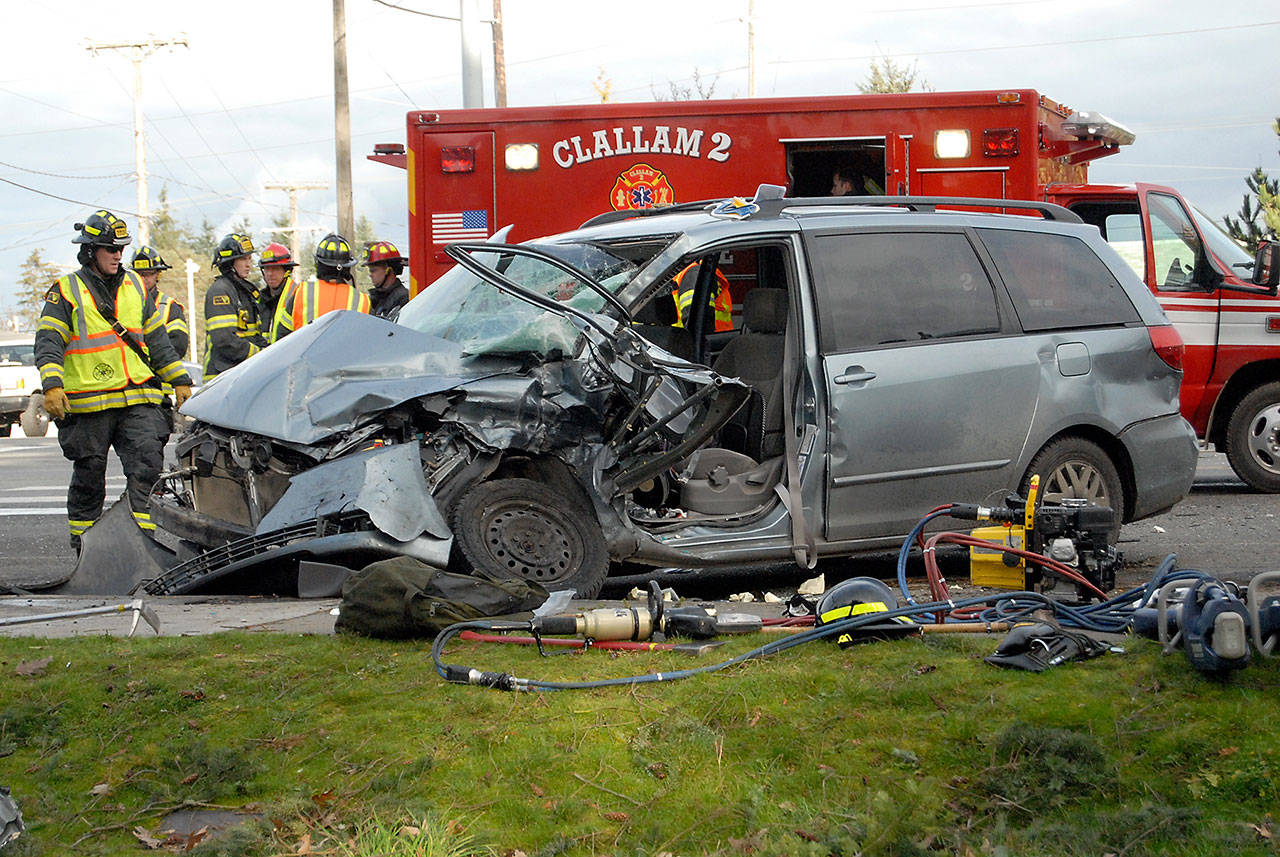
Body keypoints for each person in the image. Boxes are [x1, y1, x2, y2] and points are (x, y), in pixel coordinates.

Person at [34, 210, 193, 551]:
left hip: (137, 397)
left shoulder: (136, 285)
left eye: (121, 247)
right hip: (89, 402)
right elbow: (48, 342)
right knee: (90, 477)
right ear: (90, 251)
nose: (119, 254)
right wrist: (52, 385)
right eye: (110, 248)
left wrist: (179, 381)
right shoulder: (66, 290)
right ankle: (86, 548)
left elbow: (157, 342)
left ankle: (139, 544)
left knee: (148, 466)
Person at [273, 233, 371, 341]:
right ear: (348, 267)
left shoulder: (302, 292)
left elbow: (282, 338)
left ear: (318, 264)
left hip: (305, 357)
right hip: (349, 358)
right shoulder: (363, 301)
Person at [203, 233, 269, 379]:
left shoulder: (245, 291)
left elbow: (254, 334)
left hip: (240, 372)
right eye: (243, 259)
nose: (248, 264)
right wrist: (259, 354)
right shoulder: (220, 292)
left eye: (249, 258)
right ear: (229, 262)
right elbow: (224, 340)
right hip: (221, 376)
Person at [130, 246, 189, 359]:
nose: (143, 278)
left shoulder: (170, 307)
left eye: (148, 274)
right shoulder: (123, 302)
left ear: (158, 274)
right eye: (139, 274)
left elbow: (178, 346)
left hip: (159, 372)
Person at [672, 261, 733, 332]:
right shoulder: (695, 273)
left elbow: (696, 324)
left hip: (697, 341)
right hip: (717, 338)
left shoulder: (693, 275)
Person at [257, 242, 300, 343]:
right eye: (266, 269)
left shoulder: (297, 295)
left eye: (275, 269)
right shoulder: (259, 300)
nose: (270, 274)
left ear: (287, 270)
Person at [363, 240, 410, 320]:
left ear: (389, 271)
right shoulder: (376, 299)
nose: (370, 275)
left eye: (373, 270)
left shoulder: (403, 298)